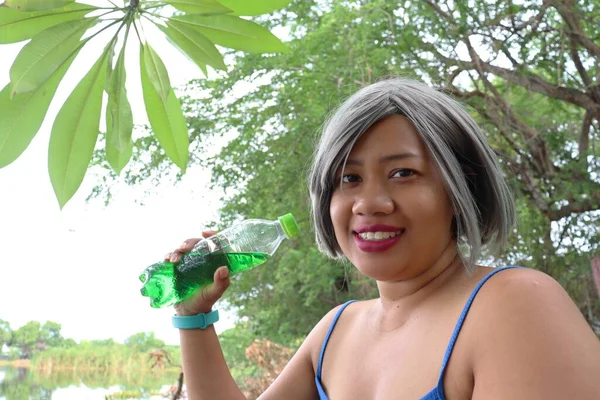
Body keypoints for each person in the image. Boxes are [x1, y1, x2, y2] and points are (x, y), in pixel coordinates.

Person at [165, 78, 600, 399]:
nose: (369, 203)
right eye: (348, 178)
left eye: (403, 173)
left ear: (459, 188)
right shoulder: (336, 330)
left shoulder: (515, 304)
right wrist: (194, 317)